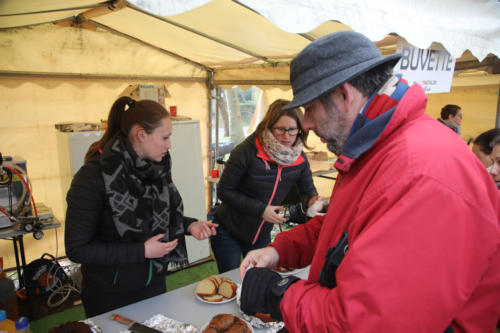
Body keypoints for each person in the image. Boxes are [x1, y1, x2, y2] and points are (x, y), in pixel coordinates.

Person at [239, 31, 500, 332]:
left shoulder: (423, 174)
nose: (306, 124)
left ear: (345, 95)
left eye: (310, 108)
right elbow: (345, 227)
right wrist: (280, 250)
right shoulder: (378, 149)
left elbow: (369, 322)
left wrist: (279, 294)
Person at [65, 96, 218, 317]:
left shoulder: (154, 169)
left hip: (154, 284)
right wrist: (141, 251)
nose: (169, 145)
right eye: (164, 137)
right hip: (110, 295)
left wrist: (189, 226)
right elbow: (77, 248)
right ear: (141, 134)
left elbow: (156, 217)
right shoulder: (92, 178)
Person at [210, 99, 320, 273]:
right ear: (269, 125)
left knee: (258, 280)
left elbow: (307, 191)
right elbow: (224, 190)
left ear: (300, 129)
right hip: (228, 231)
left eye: (292, 130)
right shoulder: (246, 151)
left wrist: (313, 200)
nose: (286, 137)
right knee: (231, 280)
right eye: (280, 129)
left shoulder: (299, 158)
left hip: (261, 234)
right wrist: (261, 210)